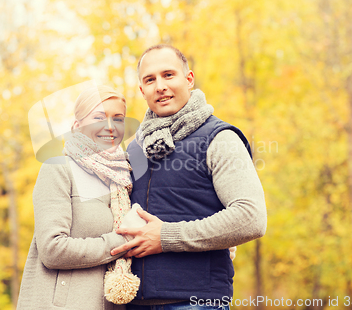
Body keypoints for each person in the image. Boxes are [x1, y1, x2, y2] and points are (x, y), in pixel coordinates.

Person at [111, 45, 267, 309]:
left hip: (196, 302)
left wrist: (166, 236)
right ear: (142, 90)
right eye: (150, 80)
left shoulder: (220, 138)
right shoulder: (135, 148)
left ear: (189, 79)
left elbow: (251, 217)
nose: (160, 86)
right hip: (134, 302)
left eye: (168, 75)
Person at [17, 85, 142, 310]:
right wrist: (121, 242)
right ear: (76, 125)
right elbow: (52, 249)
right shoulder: (59, 169)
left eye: (119, 118)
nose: (110, 127)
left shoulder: (124, 179)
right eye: (98, 117)